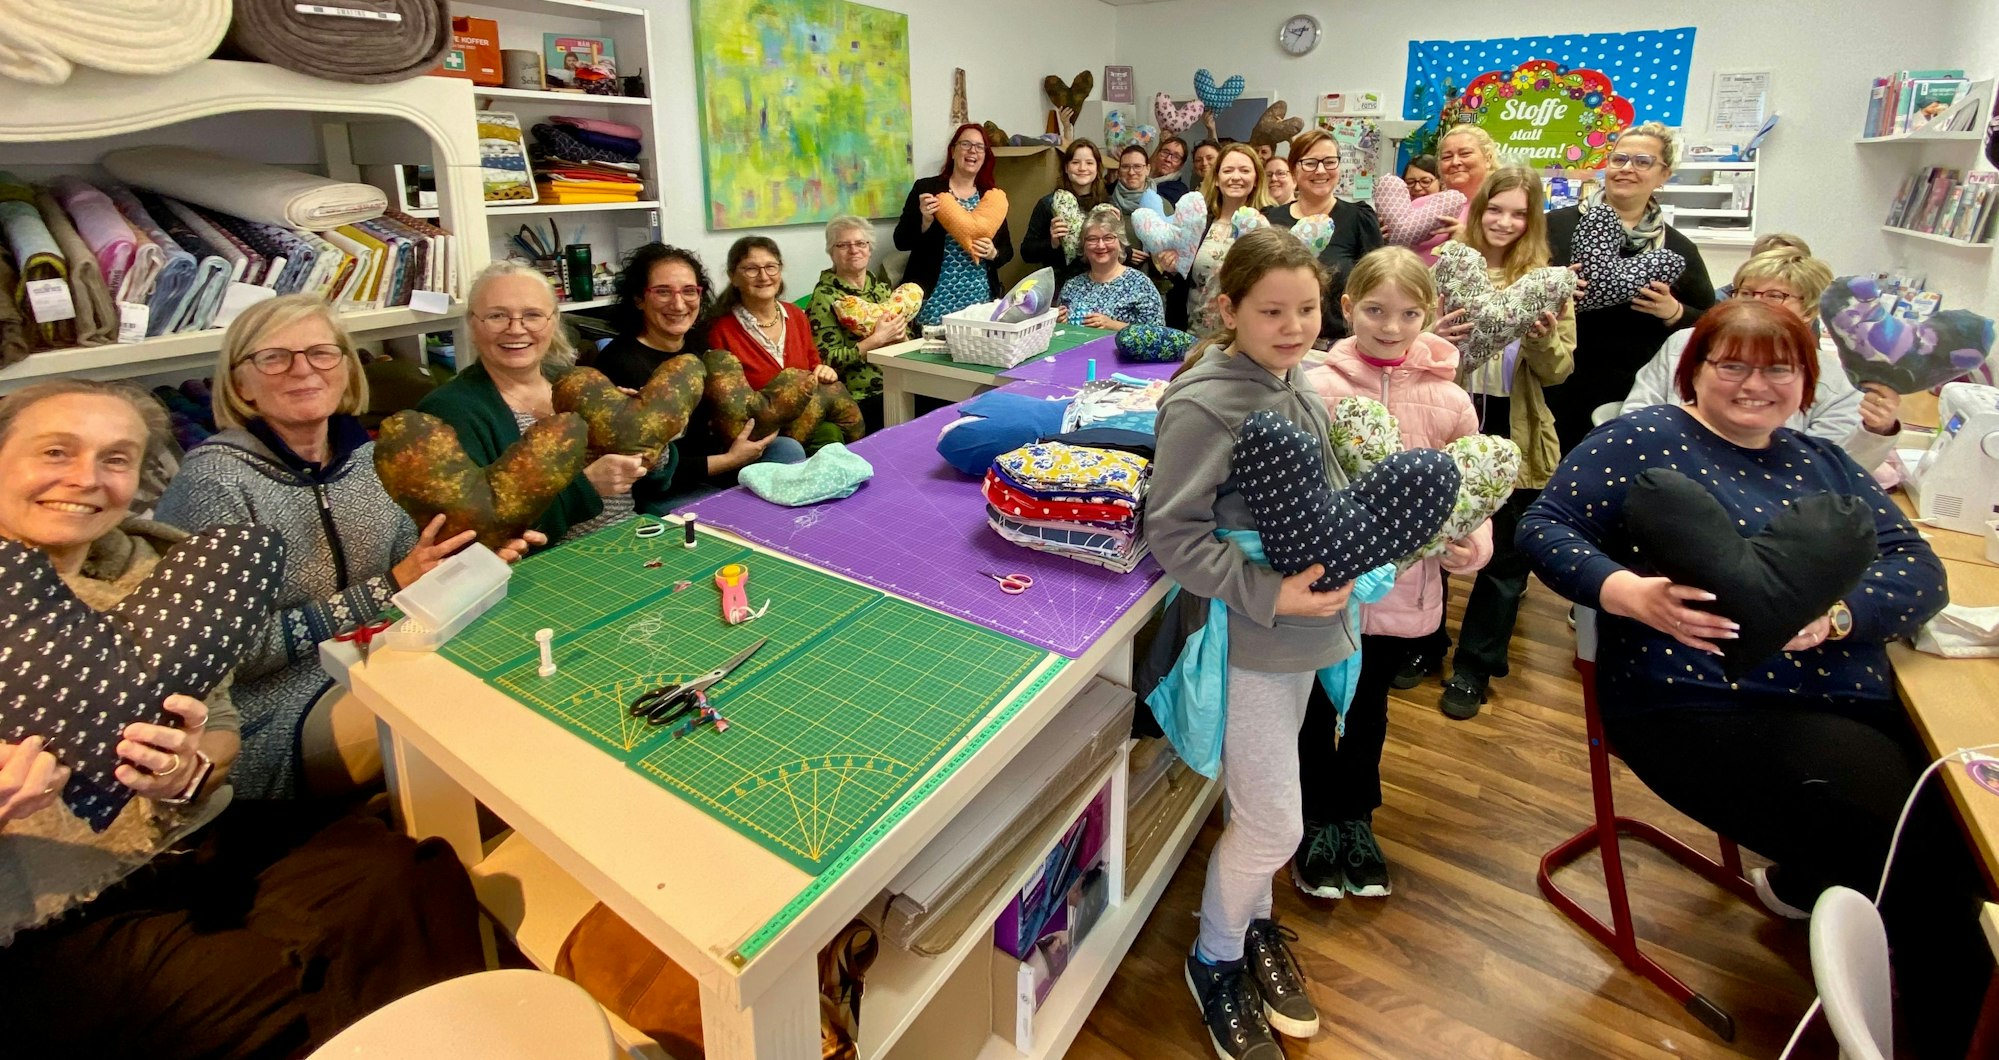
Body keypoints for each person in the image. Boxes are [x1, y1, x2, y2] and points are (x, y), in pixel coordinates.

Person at [1518, 299, 1985, 1059]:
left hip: (1842, 697)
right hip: (1694, 704)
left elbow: (1917, 567)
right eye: (1729, 364)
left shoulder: (1822, 459)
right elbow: (1544, 528)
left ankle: (1815, 885)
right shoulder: (1641, 440)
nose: (1753, 383)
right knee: (1929, 863)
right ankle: (1945, 1028)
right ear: (1692, 371)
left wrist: (1836, 617)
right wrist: (1626, 592)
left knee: (1957, 814)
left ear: (1805, 382)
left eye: (1778, 368)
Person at [0, 379, 485, 1057]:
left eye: (115, 459)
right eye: (55, 452)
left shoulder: (164, 573)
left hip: (192, 839)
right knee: (259, 989)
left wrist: (189, 769)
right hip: (48, 911)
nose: (85, 478)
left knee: (406, 875)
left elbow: (220, 725)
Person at [157, 294, 538, 799]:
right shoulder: (214, 482)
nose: (303, 370)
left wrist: (473, 563)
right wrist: (388, 587)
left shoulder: (368, 461)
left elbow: (414, 578)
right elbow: (226, 655)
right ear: (240, 384)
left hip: (389, 662)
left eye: (321, 352)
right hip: (270, 715)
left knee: (521, 665)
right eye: (274, 357)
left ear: (345, 368)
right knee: (463, 717)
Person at [1149, 227, 1353, 1059]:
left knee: (1260, 803)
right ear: (1227, 308)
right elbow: (1174, 534)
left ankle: (1254, 920)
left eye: (1306, 308)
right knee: (1272, 827)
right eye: (1271, 311)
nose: (1294, 325)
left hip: (1300, 640)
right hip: (1252, 643)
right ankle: (1213, 958)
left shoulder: (1288, 380)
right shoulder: (1207, 402)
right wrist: (1269, 592)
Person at [1293, 247, 1493, 900]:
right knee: (1316, 706)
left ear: (1428, 315)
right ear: (1347, 309)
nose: (1390, 325)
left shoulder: (1448, 398)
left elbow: (1471, 488)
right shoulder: (1314, 385)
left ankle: (1356, 816)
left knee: (1369, 708)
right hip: (1325, 590)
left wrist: (1472, 543)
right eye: (1375, 310)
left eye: (1408, 313)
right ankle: (1314, 819)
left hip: (1403, 594)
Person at [1431, 168, 1577, 720]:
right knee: (1431, 542)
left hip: (1514, 434)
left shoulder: (1546, 281)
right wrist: (1433, 336)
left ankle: (1474, 666)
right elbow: (1409, 339)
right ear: (1479, 209)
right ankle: (1423, 645)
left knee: (1504, 563)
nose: (1505, 222)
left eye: (1519, 213)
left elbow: (1561, 370)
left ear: (1532, 219)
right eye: (1496, 209)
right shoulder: (1449, 266)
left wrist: (1540, 342)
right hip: (1447, 420)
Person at [418, 261, 645, 542]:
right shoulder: (447, 412)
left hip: (632, 536)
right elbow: (476, 529)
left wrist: (646, 433)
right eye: (497, 316)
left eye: (532, 315)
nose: (516, 329)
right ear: (472, 324)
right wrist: (586, 486)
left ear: (553, 322)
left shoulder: (578, 381)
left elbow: (656, 481)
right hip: (542, 566)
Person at [1619, 248, 1901, 470]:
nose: (1754, 303)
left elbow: (1834, 468)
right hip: (1669, 477)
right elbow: (1638, 414)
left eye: (1775, 295)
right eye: (1746, 292)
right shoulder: (1684, 344)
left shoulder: (1831, 378)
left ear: (1809, 309)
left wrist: (1875, 431)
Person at [1544, 122, 1717, 454]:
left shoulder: (1678, 249)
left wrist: (1674, 312)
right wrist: (1551, 287)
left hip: (1634, 389)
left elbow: (1710, 323)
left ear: (1664, 174)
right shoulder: (1555, 226)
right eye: (1619, 159)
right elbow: (1518, 284)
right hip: (1558, 381)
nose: (1627, 169)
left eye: (1642, 161)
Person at [597, 244, 803, 497]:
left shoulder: (703, 342)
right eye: (663, 292)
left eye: (689, 291)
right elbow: (638, 470)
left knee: (787, 449)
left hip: (726, 458)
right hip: (672, 483)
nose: (679, 303)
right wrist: (730, 460)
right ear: (639, 298)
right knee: (724, 512)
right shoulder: (617, 363)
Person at [1261, 129, 1385, 345]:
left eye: (1329, 162)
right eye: (1310, 163)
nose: (1320, 171)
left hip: (1340, 346)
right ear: (1293, 169)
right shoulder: (1271, 219)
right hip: (1278, 341)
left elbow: (1376, 285)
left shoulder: (1358, 218)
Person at [894, 124, 1014, 326]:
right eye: (965, 144)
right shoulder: (927, 189)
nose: (972, 151)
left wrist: (993, 253)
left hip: (979, 299)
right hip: (934, 297)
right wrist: (925, 221)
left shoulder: (991, 197)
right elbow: (901, 241)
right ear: (953, 150)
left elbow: (1007, 251)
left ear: (985, 155)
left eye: (979, 146)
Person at [706, 237, 841, 393]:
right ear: (733, 277)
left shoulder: (796, 315)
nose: (763, 276)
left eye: (770, 267)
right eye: (751, 269)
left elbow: (814, 367)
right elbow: (724, 397)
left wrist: (824, 372)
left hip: (807, 412)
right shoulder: (720, 330)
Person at [805, 217, 903, 433]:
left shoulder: (881, 289)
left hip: (897, 381)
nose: (854, 250)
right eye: (843, 245)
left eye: (861, 243)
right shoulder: (825, 297)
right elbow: (826, 360)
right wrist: (875, 341)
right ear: (831, 252)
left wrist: (902, 336)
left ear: (869, 249)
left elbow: (906, 341)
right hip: (858, 394)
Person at [1163, 143, 1270, 335]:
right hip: (1194, 336)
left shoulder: (1266, 225)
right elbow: (1181, 278)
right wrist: (1170, 264)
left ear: (1255, 179)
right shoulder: (1199, 223)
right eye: (1228, 170)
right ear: (1217, 180)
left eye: (1244, 170)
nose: (1236, 177)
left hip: (1245, 340)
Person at [1056, 204, 1164, 330]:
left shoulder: (1140, 285)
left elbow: (1157, 335)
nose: (1101, 246)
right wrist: (1057, 324)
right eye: (1092, 239)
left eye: (1108, 238)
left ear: (1121, 243)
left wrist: (1112, 325)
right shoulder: (1071, 286)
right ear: (1083, 246)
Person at [1022, 139, 1109, 291]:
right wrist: (1053, 243)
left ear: (1097, 168)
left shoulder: (1106, 205)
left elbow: (1122, 252)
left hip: (1100, 287)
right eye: (1075, 162)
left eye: (1089, 163)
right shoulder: (1048, 204)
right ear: (1066, 168)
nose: (1082, 168)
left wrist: (1115, 235)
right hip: (1059, 288)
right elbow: (1027, 253)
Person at [1153, 136, 1191, 204]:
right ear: (1157, 154)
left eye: (1176, 157)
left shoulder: (1178, 190)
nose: (1168, 159)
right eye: (1165, 152)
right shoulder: (1144, 178)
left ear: (1181, 165)